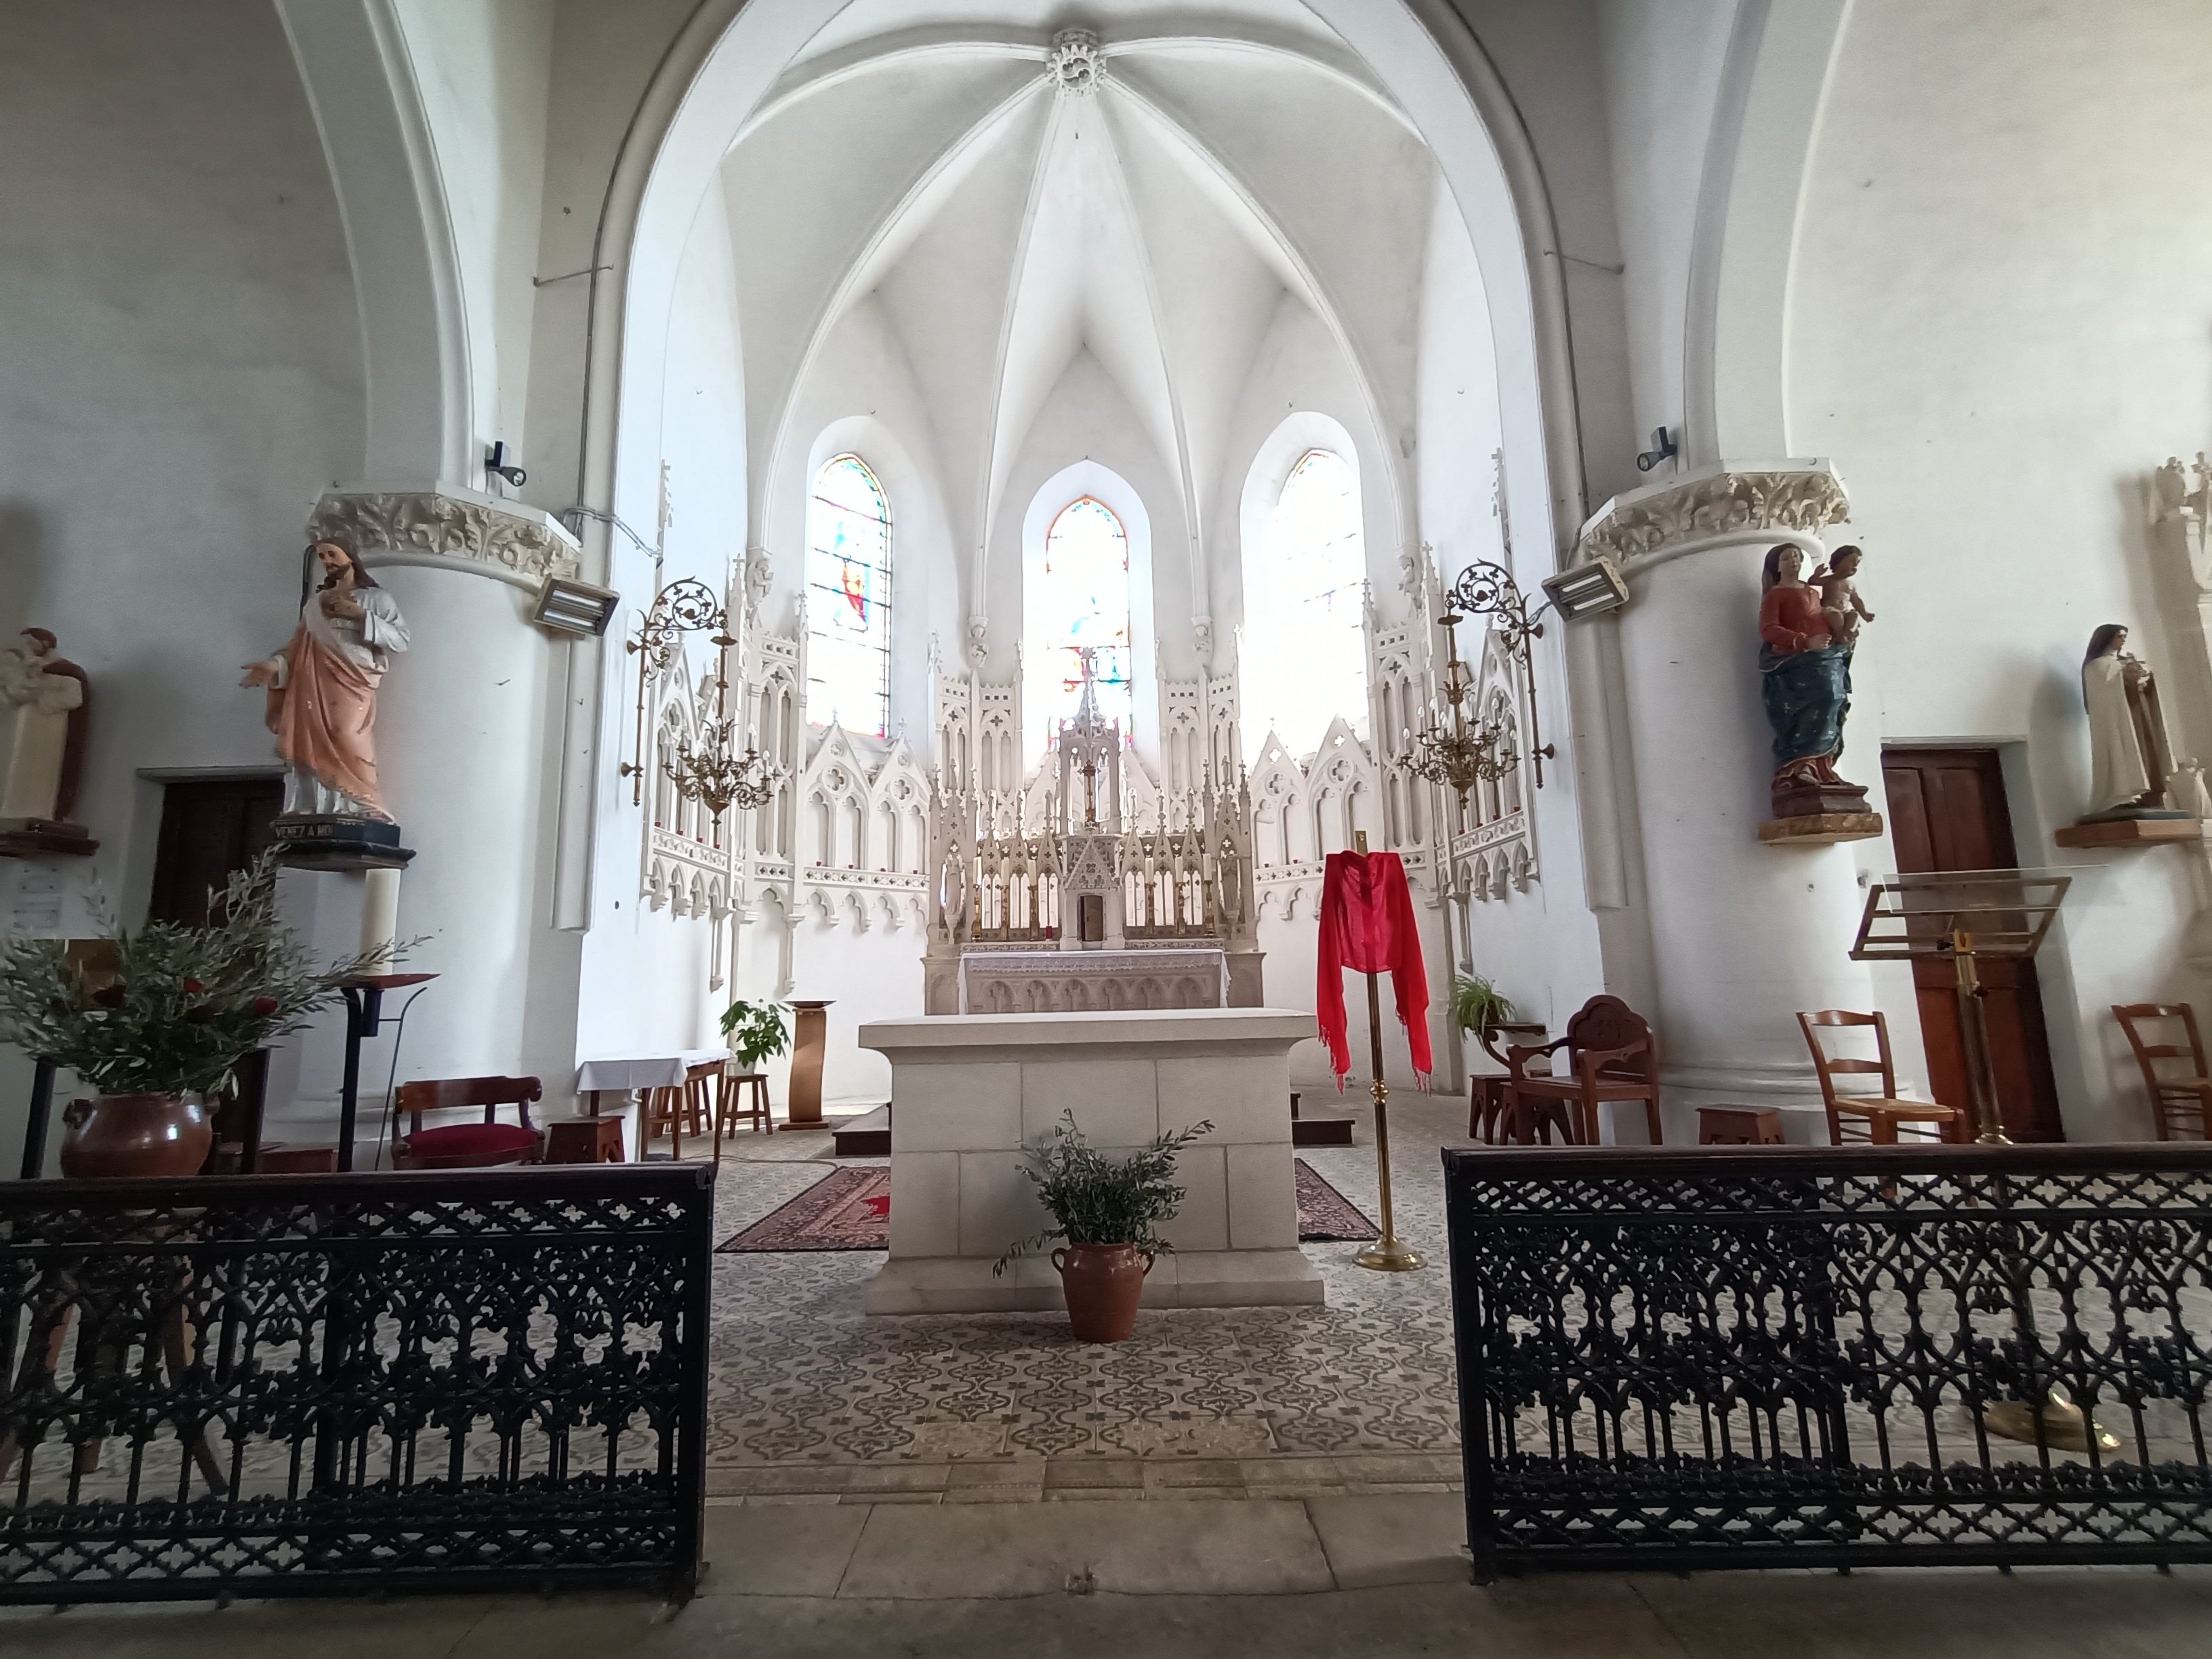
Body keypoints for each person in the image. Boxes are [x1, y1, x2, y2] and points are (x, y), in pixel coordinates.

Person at [241, 538, 409, 820]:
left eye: (332, 553)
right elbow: (298, 646)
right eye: (322, 556)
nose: (327, 561)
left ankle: (364, 802)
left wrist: (361, 615)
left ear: (350, 556)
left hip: (353, 678)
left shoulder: (376, 599)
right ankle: (313, 804)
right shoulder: (314, 606)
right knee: (308, 737)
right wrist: (274, 665)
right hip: (313, 681)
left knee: (347, 734)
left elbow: (401, 640)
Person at [1757, 544, 1851, 798]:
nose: (1794, 561)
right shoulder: (1776, 595)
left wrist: (1839, 629)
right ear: (1777, 566)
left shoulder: (1811, 590)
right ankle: (1801, 766)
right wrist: (1804, 641)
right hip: (1797, 663)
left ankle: (1823, 768)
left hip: (1827, 657)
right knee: (1816, 703)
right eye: (1787, 558)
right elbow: (1768, 629)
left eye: (1797, 557)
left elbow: (1818, 616)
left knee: (1836, 700)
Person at [2081, 624, 2179, 817]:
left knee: (2146, 751)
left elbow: (2135, 686)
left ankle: (2149, 795)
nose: (2123, 640)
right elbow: (2105, 695)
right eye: (2119, 636)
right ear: (2106, 638)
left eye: (2125, 636)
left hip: (2137, 716)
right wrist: (2128, 675)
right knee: (2122, 752)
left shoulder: (2120, 662)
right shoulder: (2097, 666)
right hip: (2118, 722)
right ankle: (2121, 797)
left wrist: (2146, 678)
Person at [0, 628, 89, 824]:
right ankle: (14, 809)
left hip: (49, 726)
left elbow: (74, 698)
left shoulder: (67, 670)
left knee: (42, 767)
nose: (28, 648)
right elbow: (17, 698)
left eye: (31, 643)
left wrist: (40, 696)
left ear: (45, 643)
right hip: (26, 725)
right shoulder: (29, 668)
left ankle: (40, 810)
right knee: (20, 766)